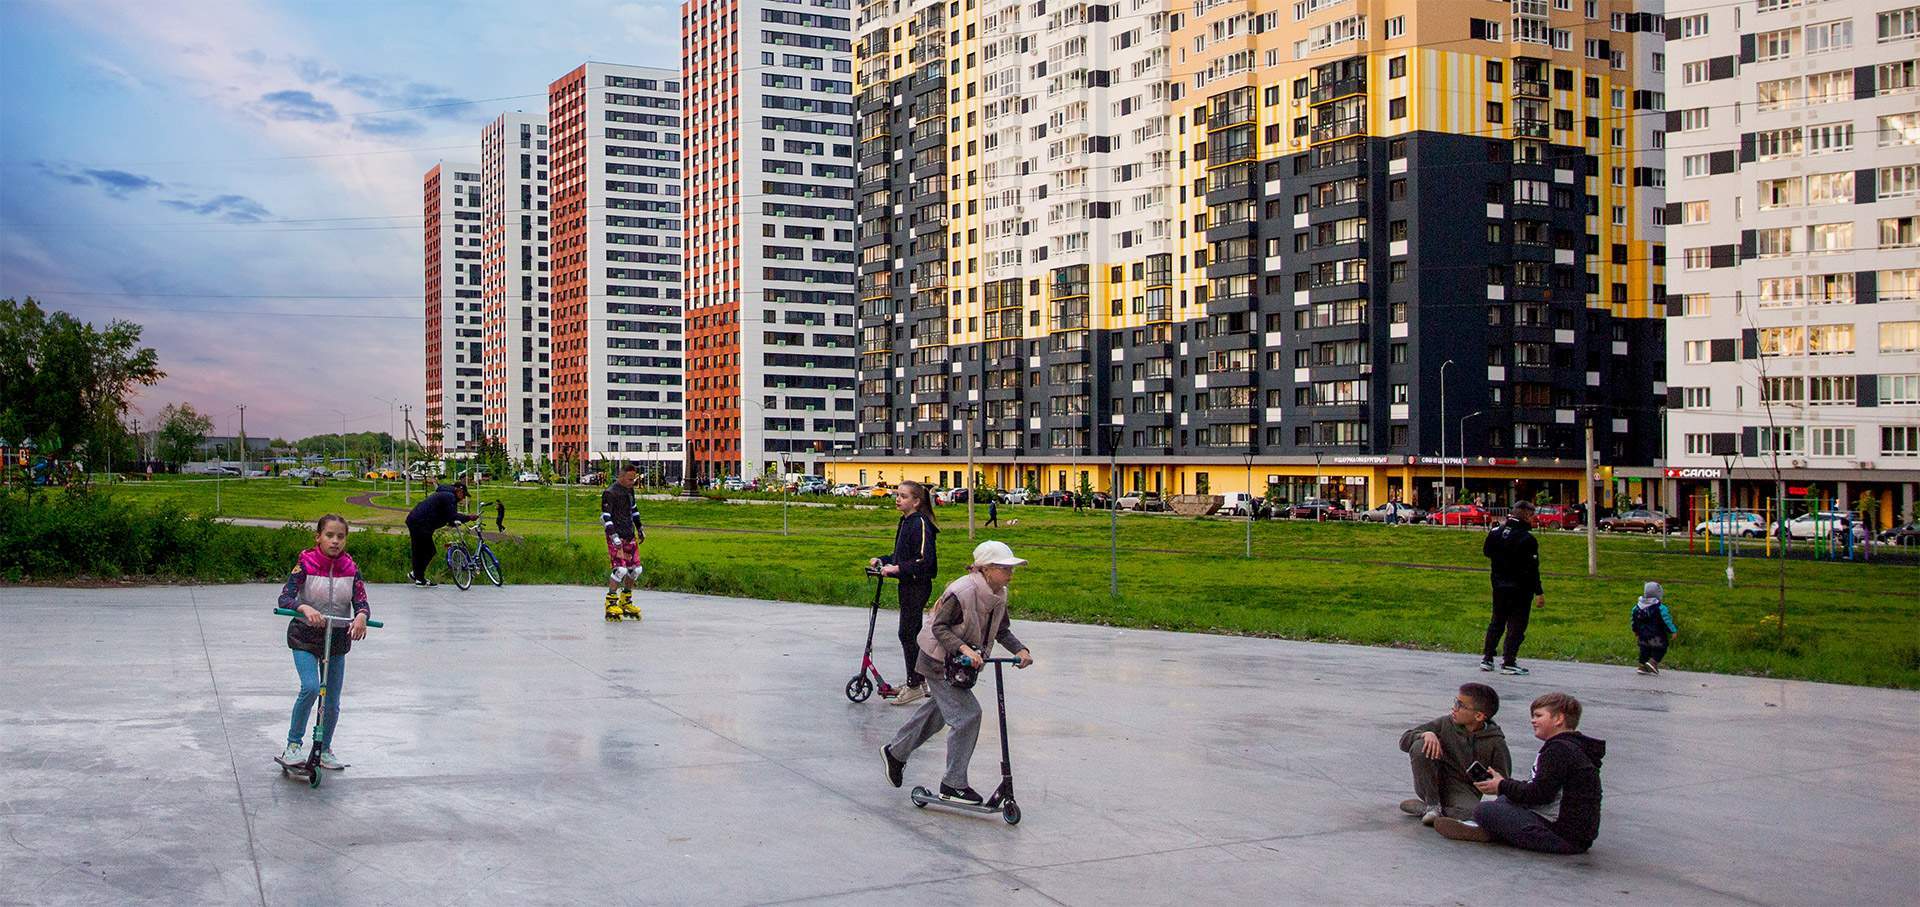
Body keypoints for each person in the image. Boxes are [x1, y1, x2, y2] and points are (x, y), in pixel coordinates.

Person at [880, 540, 1034, 803]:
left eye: (1011, 568)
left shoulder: (999, 594)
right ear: (986, 569)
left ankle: (895, 753)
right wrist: (964, 649)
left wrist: (1020, 650)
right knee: (968, 715)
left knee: (938, 713)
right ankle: (953, 784)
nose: (1011, 573)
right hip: (938, 661)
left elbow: (1001, 629)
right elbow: (939, 627)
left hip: (959, 663)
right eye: (1005, 568)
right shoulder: (962, 591)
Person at [1435, 693, 1606, 855]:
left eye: (1538, 716)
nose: (1533, 720)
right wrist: (1504, 785)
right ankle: (1482, 828)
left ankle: (1486, 829)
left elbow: (1540, 794)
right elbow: (1541, 786)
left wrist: (1501, 785)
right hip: (1573, 834)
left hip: (1563, 837)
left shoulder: (1559, 750)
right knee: (1505, 800)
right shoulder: (1569, 746)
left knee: (1485, 810)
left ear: (1558, 719)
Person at [278, 514, 371, 770]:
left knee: (331, 700)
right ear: (318, 537)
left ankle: (324, 748)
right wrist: (304, 607)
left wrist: (361, 616)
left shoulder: (351, 569)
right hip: (305, 635)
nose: (335, 541)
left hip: (337, 638)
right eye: (329, 535)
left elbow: (361, 602)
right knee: (310, 688)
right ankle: (293, 745)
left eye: (341, 536)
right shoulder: (305, 565)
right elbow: (285, 598)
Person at [1397, 683, 1512, 825]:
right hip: (1432, 783)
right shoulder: (1445, 723)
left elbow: (1504, 781)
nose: (1454, 708)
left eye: (1460, 705)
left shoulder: (1495, 741)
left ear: (1478, 716)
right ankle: (1432, 806)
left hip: (1462, 790)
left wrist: (1493, 784)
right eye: (1455, 702)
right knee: (1420, 745)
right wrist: (1425, 734)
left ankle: (1429, 811)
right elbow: (1404, 740)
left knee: (1476, 814)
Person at [870, 481, 938, 705]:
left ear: (916, 501)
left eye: (904, 496)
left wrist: (898, 569)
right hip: (907, 583)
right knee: (910, 633)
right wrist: (884, 560)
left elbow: (925, 560)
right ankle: (918, 680)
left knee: (907, 633)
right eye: (897, 495)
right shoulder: (906, 521)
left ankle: (915, 684)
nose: (898, 499)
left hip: (918, 584)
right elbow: (901, 556)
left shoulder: (920, 523)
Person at [1481, 499, 1544, 675]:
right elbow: (1532, 569)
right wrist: (1539, 592)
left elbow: (1487, 552)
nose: (1534, 519)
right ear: (1526, 516)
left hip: (1498, 585)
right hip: (1521, 588)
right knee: (1517, 625)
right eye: (1532, 516)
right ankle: (1509, 661)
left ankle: (1487, 658)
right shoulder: (1527, 539)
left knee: (1497, 621)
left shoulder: (1495, 532)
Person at [404, 481, 477, 586]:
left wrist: (452, 522)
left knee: (421, 550)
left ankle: (417, 575)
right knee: (427, 551)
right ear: (459, 490)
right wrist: (468, 517)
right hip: (421, 523)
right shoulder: (449, 497)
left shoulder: (446, 495)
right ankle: (418, 577)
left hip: (418, 521)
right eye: (464, 495)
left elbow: (447, 515)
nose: (463, 498)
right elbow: (452, 515)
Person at [602, 463, 645, 621]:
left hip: (629, 534)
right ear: (620, 477)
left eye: (634, 479)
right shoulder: (610, 493)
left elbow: (634, 510)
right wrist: (613, 535)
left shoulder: (629, 490)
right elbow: (606, 516)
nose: (632, 482)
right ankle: (611, 602)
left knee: (636, 570)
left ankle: (625, 600)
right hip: (616, 536)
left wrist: (639, 528)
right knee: (620, 570)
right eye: (629, 479)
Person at [1630, 581, 1678, 674]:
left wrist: (1635, 631)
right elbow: (1666, 620)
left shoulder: (1636, 608)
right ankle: (1653, 662)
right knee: (1661, 648)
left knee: (1644, 650)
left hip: (1642, 635)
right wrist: (1673, 630)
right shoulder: (1660, 608)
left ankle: (1642, 666)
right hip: (1657, 635)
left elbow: (1634, 621)